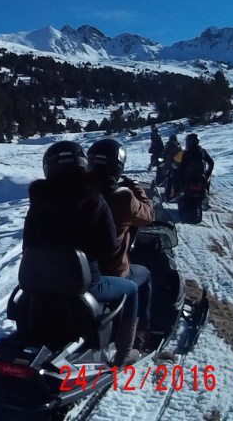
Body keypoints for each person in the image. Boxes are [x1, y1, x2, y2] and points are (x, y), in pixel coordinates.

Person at [23, 140, 141, 366]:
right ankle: (124, 353)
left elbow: (27, 244)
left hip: (41, 282)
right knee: (132, 289)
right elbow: (109, 243)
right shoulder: (93, 195)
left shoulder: (38, 200)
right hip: (84, 284)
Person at [88, 138, 155, 344]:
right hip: (111, 271)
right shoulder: (123, 197)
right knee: (144, 275)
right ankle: (138, 333)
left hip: (77, 270)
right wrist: (135, 187)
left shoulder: (77, 192)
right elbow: (148, 215)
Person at [175, 133, 215, 197]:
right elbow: (211, 163)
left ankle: (181, 191)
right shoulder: (202, 151)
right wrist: (207, 174)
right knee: (207, 181)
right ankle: (207, 193)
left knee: (177, 177)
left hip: (189, 178)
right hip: (201, 177)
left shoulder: (187, 153)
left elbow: (182, 167)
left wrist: (179, 174)